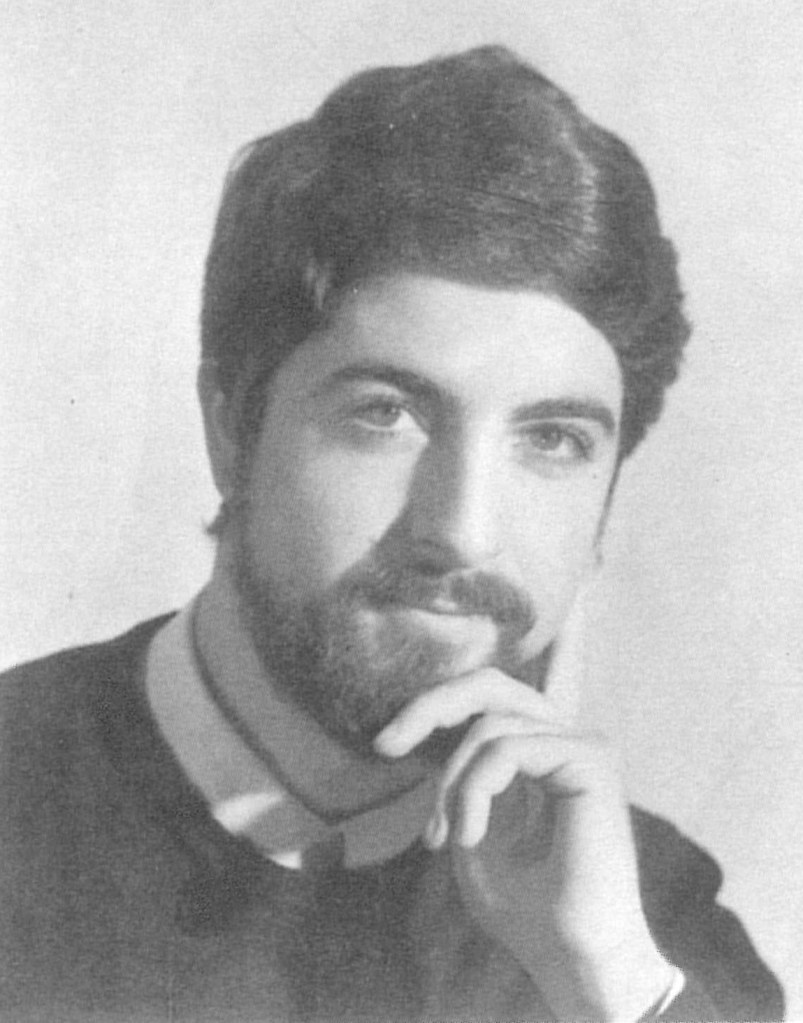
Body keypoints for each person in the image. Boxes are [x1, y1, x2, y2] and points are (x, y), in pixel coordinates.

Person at [0, 45, 783, 1022]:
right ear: (231, 430)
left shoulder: (646, 933)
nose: (461, 533)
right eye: (385, 415)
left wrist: (602, 982)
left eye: (551, 440)